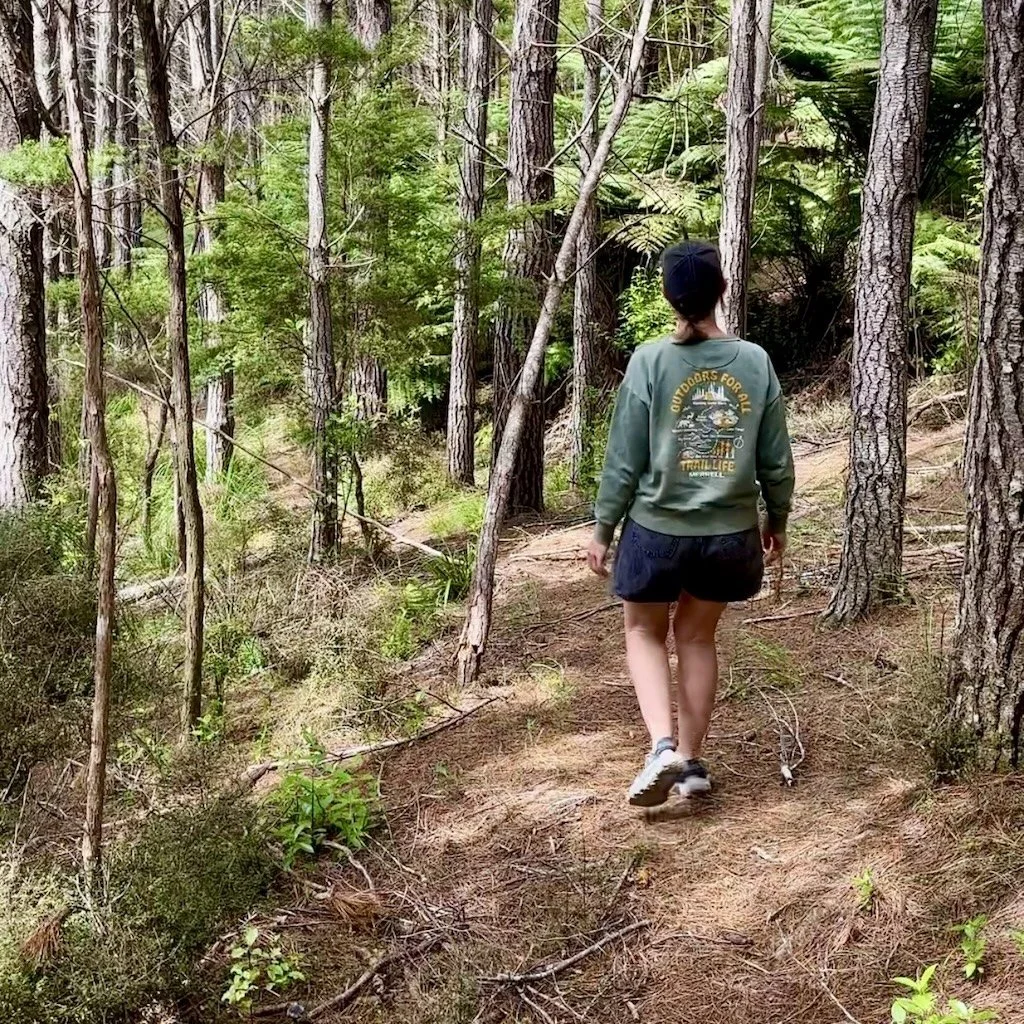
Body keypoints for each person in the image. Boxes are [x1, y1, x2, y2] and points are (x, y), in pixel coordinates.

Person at [587, 241, 795, 808]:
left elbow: (624, 458)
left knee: (643, 632)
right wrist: (777, 520)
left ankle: (661, 749)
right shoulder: (754, 361)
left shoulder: (650, 360)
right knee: (698, 636)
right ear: (722, 290)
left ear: (667, 296)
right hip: (730, 536)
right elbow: (776, 459)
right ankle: (693, 764)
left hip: (656, 532)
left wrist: (604, 528)